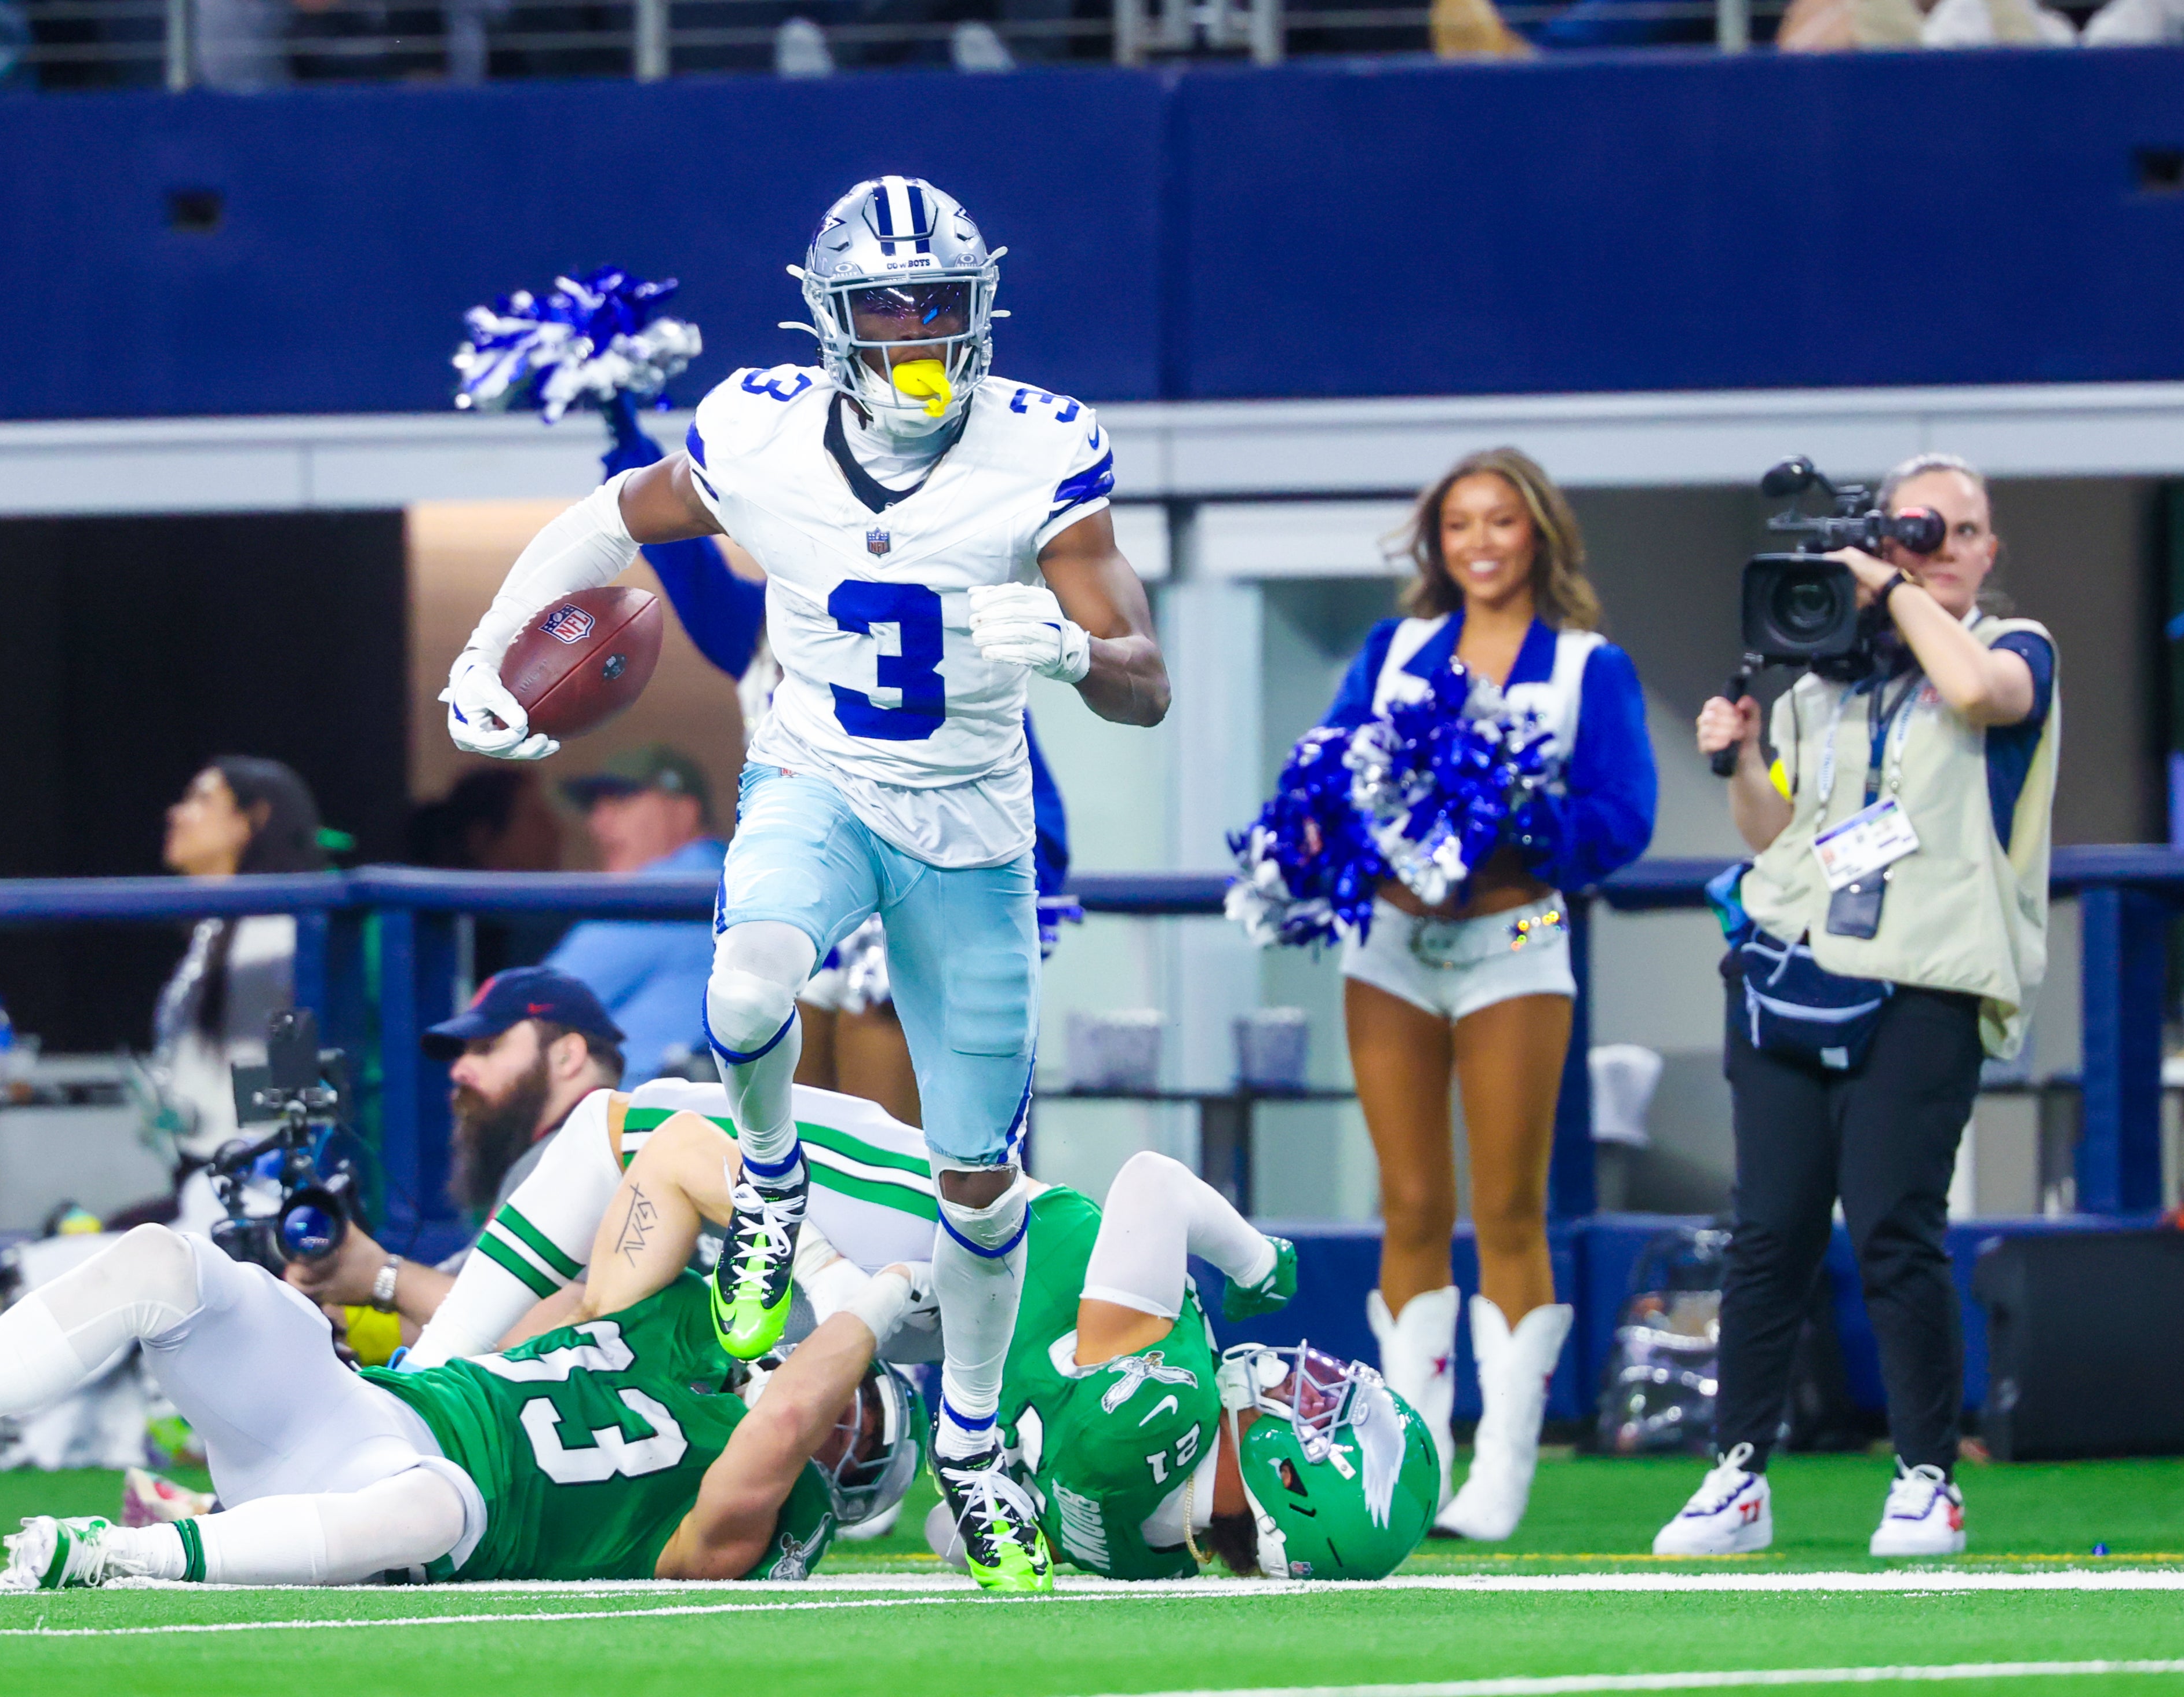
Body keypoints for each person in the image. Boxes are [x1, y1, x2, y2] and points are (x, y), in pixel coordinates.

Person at [439, 174, 1169, 1592]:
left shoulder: (1038, 449)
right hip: (816, 781)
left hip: (971, 826)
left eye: (938, 305)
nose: (915, 333)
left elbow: (1144, 682)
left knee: (978, 1183)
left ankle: (971, 1443)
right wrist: (490, 648)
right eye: (883, 307)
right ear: (829, 319)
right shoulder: (763, 429)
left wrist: (1082, 657)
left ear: (980, 308)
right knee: (746, 981)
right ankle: (768, 1182)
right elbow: (611, 516)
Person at [445, 1075, 1439, 1583]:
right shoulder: (1142, 1555)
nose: (1304, 1381)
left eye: (1321, 1410)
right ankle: (431, 1390)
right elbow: (947, 1532)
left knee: (619, 1140)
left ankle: (428, 1374)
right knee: (593, 1331)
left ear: (1291, 1484)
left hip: (937, 1228)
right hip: (930, 1317)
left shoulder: (1169, 1405)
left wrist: (1257, 1263)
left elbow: (1151, 1183)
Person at [1662, 451, 2058, 1560]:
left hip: (1927, 976)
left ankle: (1926, 1477)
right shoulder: (1820, 679)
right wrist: (1742, 757)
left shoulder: (2013, 647)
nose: (1938, 547)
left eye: (1958, 531)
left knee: (1894, 1228)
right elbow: (1772, 833)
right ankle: (1736, 1475)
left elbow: (1978, 695)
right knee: (1766, 1234)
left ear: (1987, 548)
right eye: (1914, 529)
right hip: (1793, 966)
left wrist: (1891, 587)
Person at [0, 1222, 932, 1587]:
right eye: (856, 1400)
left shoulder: (766, 1511)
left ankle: (129, 1557)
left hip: (403, 1507)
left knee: (429, 1507)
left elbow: (785, 1423)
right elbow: (672, 1147)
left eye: (857, 1434)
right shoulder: (685, 1326)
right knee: (164, 1263)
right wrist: (822, 1266)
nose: (835, 1410)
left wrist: (870, 1311)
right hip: (353, 1409)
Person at [1310, 447, 1655, 1543]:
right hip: (1390, 947)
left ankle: (1502, 1470)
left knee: (1508, 1206)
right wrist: (1326, 837)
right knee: (1410, 1202)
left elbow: (1623, 818)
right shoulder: (1392, 650)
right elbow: (1326, 773)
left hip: (1520, 935)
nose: (1480, 543)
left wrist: (1513, 813)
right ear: (1436, 542)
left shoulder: (1590, 667)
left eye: (1500, 521)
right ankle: (1416, 1463)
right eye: (1459, 524)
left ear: (1539, 533)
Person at [596, 395, 1080, 1127]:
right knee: (810, 1135)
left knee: (899, 1141)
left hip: (915, 890)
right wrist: (620, 428)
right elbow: (685, 561)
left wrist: (994, 908)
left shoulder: (935, 624)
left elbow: (1020, 786)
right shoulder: (760, 624)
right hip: (816, 895)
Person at [278, 965, 625, 1346]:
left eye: (487, 1047)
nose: (459, 1069)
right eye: (462, 1053)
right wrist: (336, 1313)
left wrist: (382, 1275)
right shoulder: (548, 1157)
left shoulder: (592, 1156)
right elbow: (447, 1322)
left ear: (567, 1056)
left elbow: (552, 1334)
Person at [147, 756, 332, 1225]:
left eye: (202, 800)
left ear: (253, 819)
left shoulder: (278, 935)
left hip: (251, 1181)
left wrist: (271, 1171)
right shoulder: (217, 928)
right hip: (205, 1168)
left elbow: (297, 1072)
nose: (177, 813)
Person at [540, 745, 726, 1086]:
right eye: (596, 809)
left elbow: (523, 1005)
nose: (599, 824)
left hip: (648, 1113)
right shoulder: (727, 871)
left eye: (622, 802)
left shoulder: (672, 886)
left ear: (683, 812)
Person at [406, 765, 566, 973]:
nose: (556, 830)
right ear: (481, 839)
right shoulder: (442, 934)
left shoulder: (557, 925)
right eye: (536, 819)